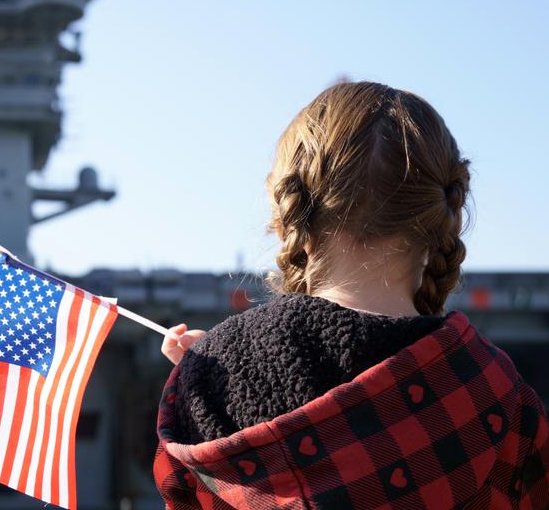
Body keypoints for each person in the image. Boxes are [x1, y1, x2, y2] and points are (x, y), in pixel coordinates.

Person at [154, 82, 549, 509]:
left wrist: (212, 371)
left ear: (289, 213)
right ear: (443, 215)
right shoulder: (495, 391)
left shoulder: (206, 380)